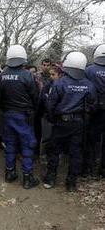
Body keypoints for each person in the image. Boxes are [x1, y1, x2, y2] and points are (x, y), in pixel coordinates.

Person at [44, 51, 97, 192]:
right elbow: (93, 106)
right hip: (79, 124)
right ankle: (71, 183)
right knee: (76, 152)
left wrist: (52, 119)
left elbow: (51, 105)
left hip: (61, 123)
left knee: (54, 150)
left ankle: (50, 178)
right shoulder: (89, 85)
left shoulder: (60, 83)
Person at [0, 44, 39, 189]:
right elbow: (35, 96)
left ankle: (10, 173)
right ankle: (27, 178)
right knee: (27, 145)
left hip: (8, 114)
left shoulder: (2, 76)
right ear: (23, 59)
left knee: (10, 144)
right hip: (23, 116)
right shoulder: (27, 75)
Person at [85, 44, 105, 178]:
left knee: (90, 139)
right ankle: (103, 170)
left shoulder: (89, 70)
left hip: (94, 110)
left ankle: (88, 168)